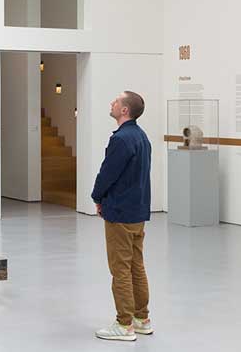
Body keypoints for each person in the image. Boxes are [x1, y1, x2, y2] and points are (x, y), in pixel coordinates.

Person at [92, 91, 152, 342]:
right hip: (137, 211)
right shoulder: (141, 136)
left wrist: (97, 196)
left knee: (120, 269)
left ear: (124, 110)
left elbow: (108, 173)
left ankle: (124, 323)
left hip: (120, 212)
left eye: (115, 101)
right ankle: (142, 318)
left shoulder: (121, 139)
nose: (112, 103)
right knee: (136, 266)